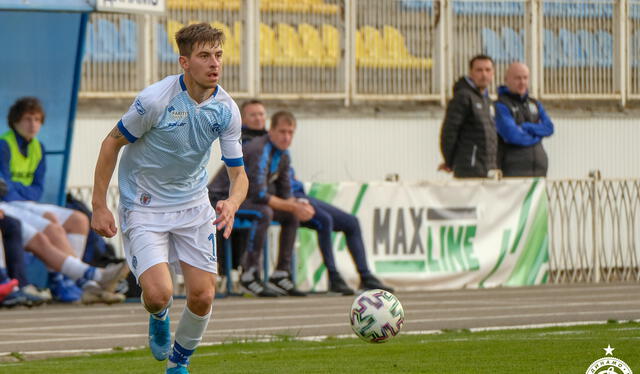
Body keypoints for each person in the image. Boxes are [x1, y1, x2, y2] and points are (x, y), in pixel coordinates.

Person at [91, 23, 248, 374]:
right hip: (144, 204)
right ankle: (158, 313)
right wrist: (99, 204)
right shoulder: (154, 101)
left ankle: (178, 364)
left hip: (193, 205)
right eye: (204, 55)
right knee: (160, 292)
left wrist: (232, 202)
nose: (214, 64)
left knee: (203, 295)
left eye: (218, 55)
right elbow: (110, 143)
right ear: (184, 62)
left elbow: (239, 175)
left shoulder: (226, 110)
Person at [0, 97, 127, 304]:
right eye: (27, 119)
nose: (32, 124)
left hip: (25, 202)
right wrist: (21, 191)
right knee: (52, 225)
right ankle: (76, 282)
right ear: (15, 121)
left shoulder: (38, 148)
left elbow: (37, 189)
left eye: (36, 119)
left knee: (79, 219)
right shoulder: (4, 145)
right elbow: (4, 188)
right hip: (8, 203)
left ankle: (76, 281)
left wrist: (20, 191)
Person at [209, 111, 311, 298]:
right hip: (220, 198)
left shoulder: (284, 155)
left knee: (291, 215)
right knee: (263, 212)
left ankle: (281, 273)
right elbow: (259, 194)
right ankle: (249, 274)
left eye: (290, 133)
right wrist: (293, 205)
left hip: (246, 200)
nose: (286, 137)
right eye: (282, 132)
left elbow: (285, 194)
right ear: (270, 131)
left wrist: (300, 205)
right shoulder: (259, 149)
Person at [290, 169, 394, 295]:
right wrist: (291, 201)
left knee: (352, 222)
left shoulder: (284, 155)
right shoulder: (265, 153)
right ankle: (334, 277)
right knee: (325, 220)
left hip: (301, 197)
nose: (288, 147)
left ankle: (366, 276)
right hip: (286, 199)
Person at [439, 55, 498, 178]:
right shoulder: (463, 97)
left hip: (488, 168)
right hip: (469, 168)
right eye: (479, 70)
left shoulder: (487, 100)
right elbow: (449, 131)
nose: (484, 74)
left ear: (493, 73)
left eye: (487, 70)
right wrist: (450, 161)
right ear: (471, 73)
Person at [495, 62, 554, 177]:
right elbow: (512, 135)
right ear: (506, 80)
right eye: (517, 78)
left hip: (539, 169)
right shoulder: (500, 105)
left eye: (525, 78)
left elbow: (549, 128)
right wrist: (538, 135)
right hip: (514, 170)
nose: (522, 82)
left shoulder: (534, 103)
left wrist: (527, 127)